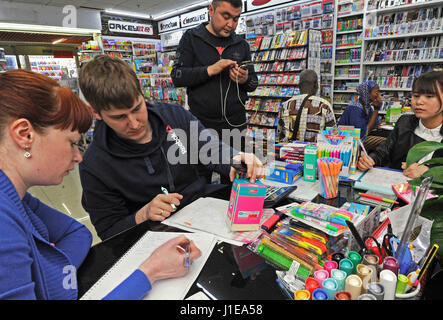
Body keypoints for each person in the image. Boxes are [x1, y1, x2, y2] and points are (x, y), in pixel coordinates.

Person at [0, 69, 201, 300]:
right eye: (72, 143)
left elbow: (78, 233)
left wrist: (49, 276)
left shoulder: (19, 199)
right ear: (25, 135)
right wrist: (150, 272)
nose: (78, 157)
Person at [78, 55, 264, 241]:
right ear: (96, 112)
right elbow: (109, 231)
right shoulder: (94, 165)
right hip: (153, 234)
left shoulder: (173, 115)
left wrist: (234, 159)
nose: (134, 124)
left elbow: (208, 146)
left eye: (137, 109)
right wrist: (143, 214)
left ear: (142, 93)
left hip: (202, 210)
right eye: (119, 117)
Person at [171, 0, 258, 148]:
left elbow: (253, 83)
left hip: (235, 124)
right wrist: (209, 70)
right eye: (226, 16)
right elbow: (177, 76)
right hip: (201, 125)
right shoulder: (191, 38)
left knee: (234, 169)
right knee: (200, 170)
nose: (231, 24)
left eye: (236, 19)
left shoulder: (241, 44)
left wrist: (244, 79)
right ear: (211, 10)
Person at [358, 70, 443, 178]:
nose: (419, 102)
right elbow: (383, 152)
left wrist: (429, 171)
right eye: (416, 96)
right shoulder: (405, 122)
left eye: (429, 96)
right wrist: (369, 159)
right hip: (394, 188)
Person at [277, 69, 336, 142]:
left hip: (288, 152)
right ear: (316, 85)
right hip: (315, 152)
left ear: (299, 86)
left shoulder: (285, 105)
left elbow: (280, 133)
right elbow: (333, 136)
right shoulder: (324, 105)